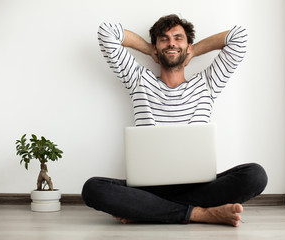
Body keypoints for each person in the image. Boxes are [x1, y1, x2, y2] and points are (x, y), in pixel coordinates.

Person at [82, 14, 268, 227]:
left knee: (255, 175)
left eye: (178, 38)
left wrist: (193, 50)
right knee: (92, 188)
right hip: (147, 187)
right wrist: (150, 49)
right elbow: (107, 33)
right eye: (164, 39)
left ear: (188, 46)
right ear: (156, 47)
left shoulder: (207, 83)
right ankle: (200, 214)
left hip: (199, 186)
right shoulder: (139, 80)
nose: (171, 43)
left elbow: (239, 37)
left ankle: (150, 210)